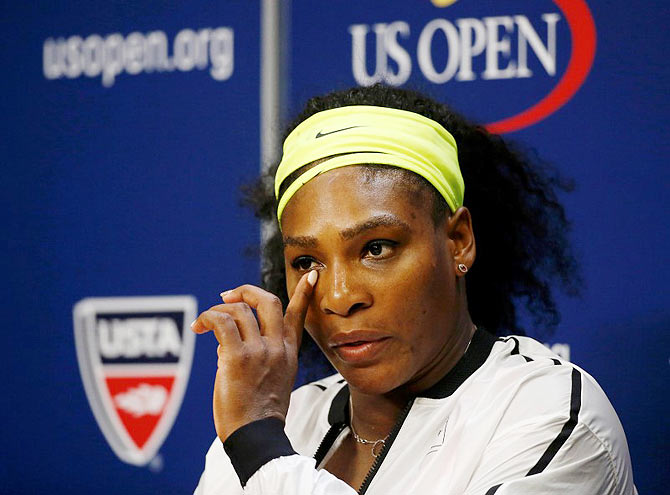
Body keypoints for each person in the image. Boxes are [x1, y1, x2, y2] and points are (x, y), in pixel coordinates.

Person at [191, 85, 637, 494]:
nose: (340, 297)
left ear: (458, 240)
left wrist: (261, 450)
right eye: (307, 262)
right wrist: (257, 439)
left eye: (377, 248)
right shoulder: (279, 422)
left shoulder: (550, 414)